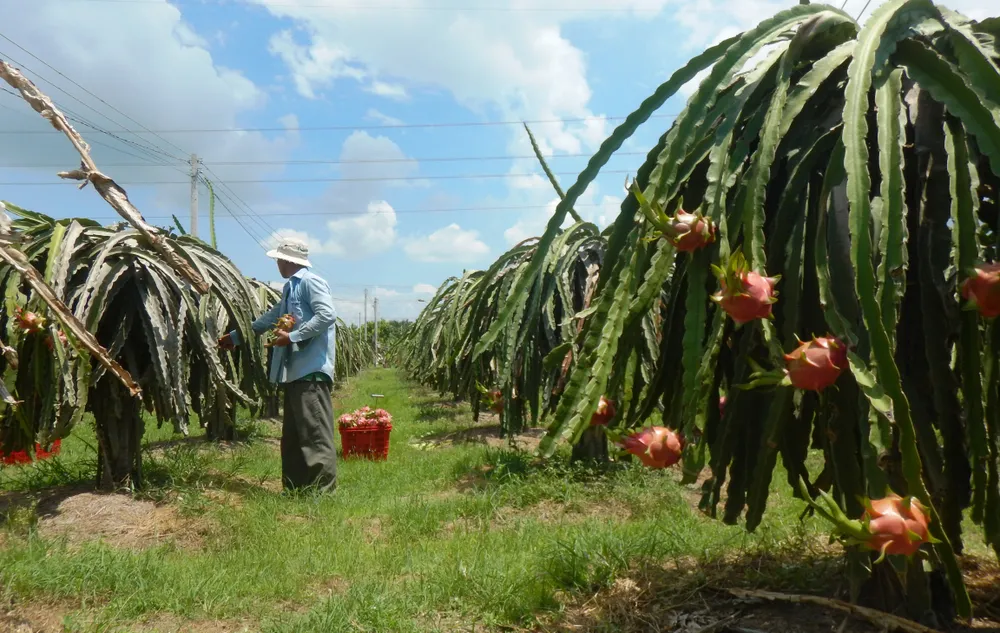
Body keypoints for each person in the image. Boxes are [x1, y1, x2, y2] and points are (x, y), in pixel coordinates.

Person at [218, 237, 338, 493]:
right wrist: (237, 337)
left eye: (278, 260)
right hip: (295, 371)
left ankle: (323, 493)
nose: (277, 264)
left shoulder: (310, 282)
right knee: (294, 436)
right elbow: (272, 318)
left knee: (314, 434)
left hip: (312, 371)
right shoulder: (290, 289)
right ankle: (295, 489)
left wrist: (293, 337)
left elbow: (327, 315)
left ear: (288, 260)